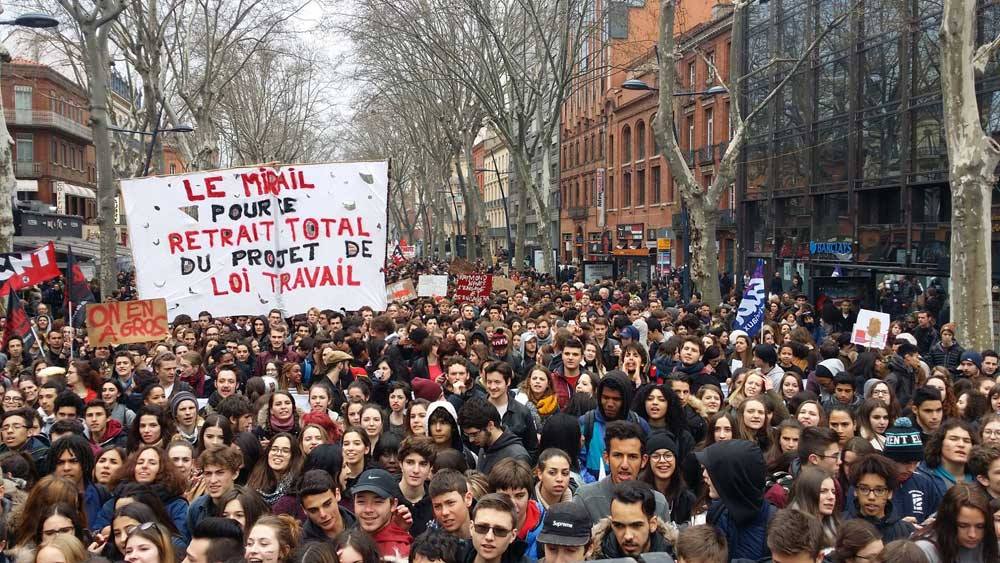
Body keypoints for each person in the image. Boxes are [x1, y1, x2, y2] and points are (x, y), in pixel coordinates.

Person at [573, 420, 670, 523]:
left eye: (632, 457)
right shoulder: (586, 499)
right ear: (606, 458)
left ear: (644, 460)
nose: (624, 465)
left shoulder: (658, 503)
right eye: (618, 456)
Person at [696, 439, 776, 561]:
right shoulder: (716, 512)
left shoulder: (776, 524)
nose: (704, 474)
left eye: (713, 470)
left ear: (733, 476)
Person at [579, 371, 650, 481]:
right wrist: (591, 483)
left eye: (616, 399)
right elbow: (577, 460)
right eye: (605, 397)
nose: (610, 404)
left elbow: (647, 463)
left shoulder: (639, 424)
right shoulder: (586, 423)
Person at [913, 483, 999, 563]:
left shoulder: (989, 544)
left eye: (980, 526)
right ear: (947, 522)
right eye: (963, 526)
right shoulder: (923, 551)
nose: (972, 535)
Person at [586, 480, 673, 559]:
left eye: (636, 526)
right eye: (619, 526)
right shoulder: (593, 556)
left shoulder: (674, 556)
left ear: (652, 524)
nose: (628, 536)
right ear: (612, 524)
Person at [846, 454, 915, 543]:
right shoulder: (839, 525)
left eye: (879, 490)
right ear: (855, 491)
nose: (871, 497)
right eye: (864, 489)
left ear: (890, 493)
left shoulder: (906, 532)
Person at [487, 459, 545, 560]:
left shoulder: (546, 528)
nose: (512, 504)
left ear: (530, 496)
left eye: (519, 496)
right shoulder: (481, 526)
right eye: (504, 496)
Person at [457, 397, 530, 475]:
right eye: (467, 435)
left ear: (490, 425)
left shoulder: (517, 456)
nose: (471, 440)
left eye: (474, 434)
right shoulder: (484, 447)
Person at [351, 468, 412, 559]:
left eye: (378, 502)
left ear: (393, 504)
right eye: (361, 501)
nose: (368, 510)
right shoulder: (346, 541)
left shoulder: (401, 554)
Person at [482, 362, 538, 457]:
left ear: (508, 382)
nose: (492, 387)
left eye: (497, 382)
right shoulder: (477, 407)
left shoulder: (522, 412)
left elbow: (532, 448)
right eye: (489, 382)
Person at [186, 445, 242, 532]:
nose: (213, 480)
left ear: (235, 474)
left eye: (220, 473)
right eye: (208, 474)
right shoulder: (196, 508)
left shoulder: (248, 504)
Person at [917, 419, 978, 497]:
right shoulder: (922, 478)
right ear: (940, 443)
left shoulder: (980, 479)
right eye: (953, 439)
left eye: (966, 441)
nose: (961, 444)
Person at [460, 492, 527, 563]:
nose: (489, 537)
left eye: (500, 531)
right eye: (482, 528)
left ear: (513, 536)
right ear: (471, 528)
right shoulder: (452, 557)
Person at [299, 469, 356, 543]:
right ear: (304, 510)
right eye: (314, 510)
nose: (323, 514)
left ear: (337, 494)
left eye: (327, 505)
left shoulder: (362, 526)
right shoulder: (302, 545)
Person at [397, 436, 435, 536]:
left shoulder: (435, 500)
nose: (416, 470)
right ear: (401, 464)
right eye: (410, 462)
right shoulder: (387, 497)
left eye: (423, 464)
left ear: (430, 468)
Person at [430, 469, 474, 540]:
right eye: (437, 506)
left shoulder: (486, 538)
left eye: (450, 503)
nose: (444, 512)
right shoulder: (429, 546)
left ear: (468, 499)